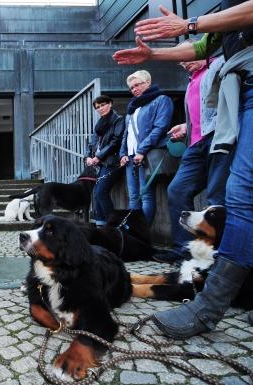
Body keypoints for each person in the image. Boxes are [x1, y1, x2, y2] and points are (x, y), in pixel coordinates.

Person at [113, 0, 253, 335]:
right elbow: (207, 43)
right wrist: (154, 55)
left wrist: (189, 23)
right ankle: (188, 259)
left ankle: (208, 307)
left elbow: (201, 37)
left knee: (240, 193)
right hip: (243, 89)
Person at [153, 50, 230, 265]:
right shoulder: (191, 80)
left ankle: (219, 256)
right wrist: (186, 126)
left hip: (217, 137)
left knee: (216, 197)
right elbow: (200, 112)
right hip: (195, 144)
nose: (183, 64)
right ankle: (184, 250)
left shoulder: (218, 67)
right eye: (180, 62)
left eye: (185, 58)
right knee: (176, 190)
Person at [119, 70, 173, 226]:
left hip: (146, 155)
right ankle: (133, 232)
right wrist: (123, 153)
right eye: (131, 87)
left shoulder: (161, 100)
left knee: (146, 195)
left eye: (137, 85)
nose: (134, 89)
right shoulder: (133, 108)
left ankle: (142, 231)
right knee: (133, 196)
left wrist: (142, 150)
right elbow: (126, 134)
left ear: (147, 83)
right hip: (130, 158)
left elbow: (160, 127)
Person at [85, 95, 125, 227]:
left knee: (101, 192)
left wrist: (98, 157)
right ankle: (100, 225)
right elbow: (91, 144)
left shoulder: (118, 120)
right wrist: (88, 157)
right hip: (101, 164)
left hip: (112, 162)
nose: (100, 109)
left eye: (103, 105)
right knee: (97, 195)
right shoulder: (99, 124)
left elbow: (115, 141)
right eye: (98, 107)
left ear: (110, 103)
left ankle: (113, 226)